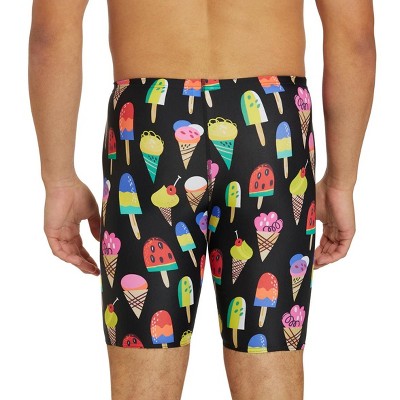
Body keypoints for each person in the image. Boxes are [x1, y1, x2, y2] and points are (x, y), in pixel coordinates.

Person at [28, 0, 376, 399]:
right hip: (269, 119)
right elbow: (355, 39)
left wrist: (59, 181)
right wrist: (340, 183)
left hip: (148, 120)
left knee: (143, 379)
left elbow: (50, 35)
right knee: (270, 372)